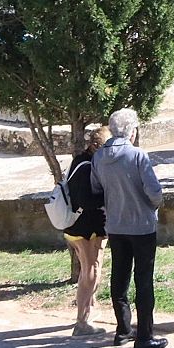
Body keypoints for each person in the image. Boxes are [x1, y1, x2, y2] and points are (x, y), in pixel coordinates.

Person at [92, 108, 167, 348]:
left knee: (120, 277)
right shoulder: (137, 156)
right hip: (142, 226)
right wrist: (152, 206)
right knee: (143, 281)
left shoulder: (99, 157)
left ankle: (123, 330)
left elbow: (96, 187)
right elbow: (154, 192)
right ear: (132, 131)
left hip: (116, 224)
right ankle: (144, 335)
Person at [62, 127, 109, 336]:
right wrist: (108, 197)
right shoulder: (86, 166)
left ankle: (88, 310)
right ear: (95, 146)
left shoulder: (83, 161)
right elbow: (85, 200)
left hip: (90, 226)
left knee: (95, 267)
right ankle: (81, 321)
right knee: (90, 271)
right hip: (84, 227)